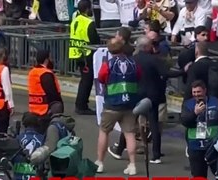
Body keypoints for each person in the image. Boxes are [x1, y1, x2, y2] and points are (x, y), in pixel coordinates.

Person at [134, 36, 184, 163]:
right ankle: (156, 154)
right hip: (153, 95)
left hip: (137, 94)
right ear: (146, 47)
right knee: (154, 124)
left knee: (131, 121)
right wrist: (183, 71)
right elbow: (166, 73)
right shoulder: (154, 60)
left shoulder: (133, 59)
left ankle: (123, 146)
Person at [95, 38, 141, 175]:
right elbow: (139, 76)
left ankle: (100, 162)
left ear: (109, 50)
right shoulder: (133, 63)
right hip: (130, 103)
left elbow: (101, 78)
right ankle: (132, 164)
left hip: (112, 104)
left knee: (104, 131)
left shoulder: (108, 64)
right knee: (130, 134)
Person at [181, 80, 218, 178]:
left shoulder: (217, 103)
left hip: (214, 146)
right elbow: (184, 121)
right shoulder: (188, 104)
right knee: (198, 176)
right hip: (195, 147)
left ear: (205, 90)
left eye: (198, 92)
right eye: (194, 92)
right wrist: (195, 113)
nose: (196, 95)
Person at [69, 0, 100, 115]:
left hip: (77, 54)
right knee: (87, 82)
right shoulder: (88, 22)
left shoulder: (75, 20)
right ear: (87, 9)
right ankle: (81, 105)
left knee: (84, 81)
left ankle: (81, 104)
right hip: (86, 55)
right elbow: (95, 40)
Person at [27, 50, 62, 121]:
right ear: (46, 60)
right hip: (45, 111)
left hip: (33, 109)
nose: (51, 60)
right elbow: (52, 93)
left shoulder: (32, 72)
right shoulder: (46, 73)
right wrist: (59, 104)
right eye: (50, 58)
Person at [13, 112, 44, 180]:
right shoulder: (42, 139)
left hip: (19, 176)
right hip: (36, 175)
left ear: (24, 124)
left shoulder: (18, 138)